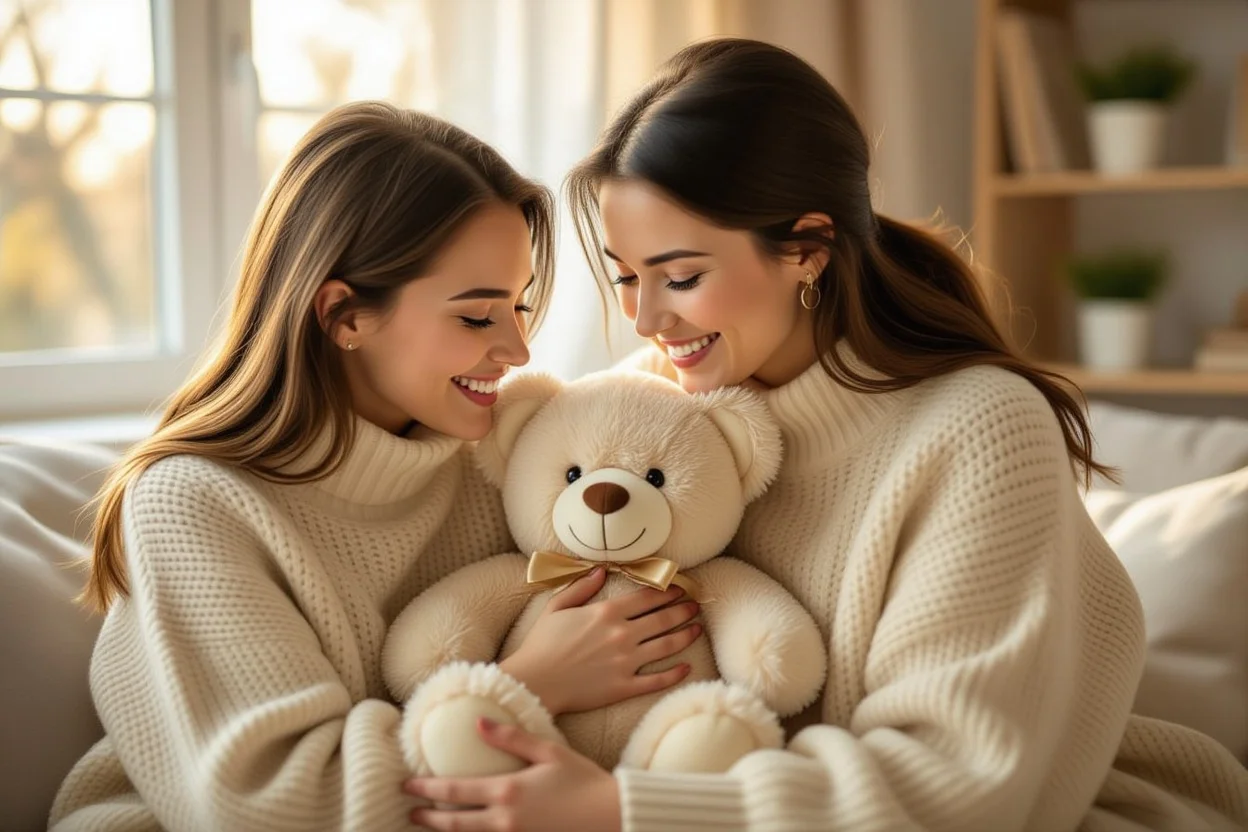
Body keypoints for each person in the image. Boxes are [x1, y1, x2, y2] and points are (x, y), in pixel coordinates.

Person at [401, 39, 1248, 832]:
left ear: (807, 249)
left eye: (682, 276)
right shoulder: (646, 414)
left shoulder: (982, 428)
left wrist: (625, 808)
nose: (647, 319)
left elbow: (958, 779)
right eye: (627, 278)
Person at [50, 101, 700, 831]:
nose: (517, 351)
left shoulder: (501, 462)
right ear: (344, 315)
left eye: (519, 308)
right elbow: (275, 806)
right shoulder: (193, 503)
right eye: (478, 316)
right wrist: (530, 684)